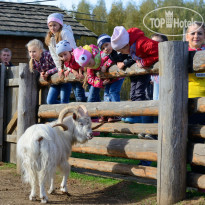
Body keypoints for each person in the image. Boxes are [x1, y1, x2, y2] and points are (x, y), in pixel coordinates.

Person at [97, 34, 135, 122]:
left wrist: (106, 66)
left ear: (111, 42)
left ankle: (117, 113)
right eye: (103, 48)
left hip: (119, 77)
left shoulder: (117, 50)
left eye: (106, 45)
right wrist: (102, 66)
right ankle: (107, 113)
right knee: (106, 93)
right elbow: (107, 60)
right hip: (111, 78)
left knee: (113, 91)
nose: (105, 48)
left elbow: (115, 59)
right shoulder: (109, 54)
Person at [186, 22, 205, 190]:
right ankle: (198, 180)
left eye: (199, 33)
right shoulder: (182, 54)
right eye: (193, 33)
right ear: (187, 37)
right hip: (190, 101)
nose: (196, 36)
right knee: (196, 137)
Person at [26, 39, 70, 104]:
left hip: (64, 80)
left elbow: (59, 66)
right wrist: (42, 74)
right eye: (30, 52)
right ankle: (64, 108)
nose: (32, 54)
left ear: (40, 51)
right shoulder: (33, 63)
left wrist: (48, 72)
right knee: (50, 101)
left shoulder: (48, 55)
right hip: (54, 82)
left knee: (64, 101)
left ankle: (66, 107)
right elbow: (41, 71)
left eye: (34, 51)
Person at [45, 13, 77, 102]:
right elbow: (55, 56)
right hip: (62, 68)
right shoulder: (50, 38)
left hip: (72, 66)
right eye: (50, 26)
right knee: (50, 101)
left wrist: (69, 68)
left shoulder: (65, 33)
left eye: (54, 25)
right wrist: (60, 69)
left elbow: (73, 50)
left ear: (60, 24)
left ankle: (68, 111)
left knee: (65, 99)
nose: (52, 28)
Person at [151, 34, 168, 124]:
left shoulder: (167, 58)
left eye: (157, 43)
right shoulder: (151, 59)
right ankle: (154, 131)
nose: (154, 45)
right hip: (155, 96)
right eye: (152, 43)